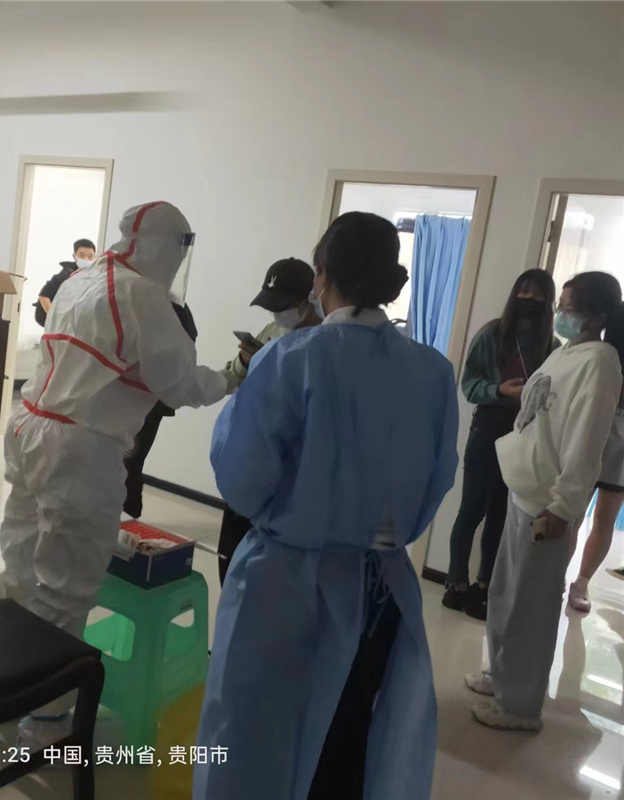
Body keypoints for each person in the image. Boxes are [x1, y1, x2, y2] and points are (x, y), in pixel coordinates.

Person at [194, 212, 459, 800]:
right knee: (348, 736)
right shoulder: (432, 372)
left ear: (321, 276)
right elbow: (436, 480)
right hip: (381, 587)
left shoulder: (292, 358)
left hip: (285, 584)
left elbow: (241, 478)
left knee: (256, 736)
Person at [0, 202, 232, 738]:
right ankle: (46, 719)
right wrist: (230, 376)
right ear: (169, 249)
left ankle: (5, 681)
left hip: (29, 426)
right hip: (78, 448)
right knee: (68, 584)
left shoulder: (81, 278)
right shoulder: (142, 294)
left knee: (21, 562)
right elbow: (180, 384)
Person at [466, 271, 624, 732]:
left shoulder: (600, 362)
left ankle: (520, 705)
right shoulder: (566, 351)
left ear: (596, 316)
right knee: (505, 593)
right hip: (524, 489)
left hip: (548, 503)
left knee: (531, 606)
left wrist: (563, 506)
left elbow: (586, 441)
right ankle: (500, 674)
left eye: (568, 308)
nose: (560, 315)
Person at [443, 270, 558, 620]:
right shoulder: (492, 334)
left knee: (501, 514)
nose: (530, 299)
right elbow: (469, 384)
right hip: (488, 426)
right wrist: (498, 391)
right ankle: (455, 584)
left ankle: (484, 586)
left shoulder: (552, 346)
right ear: (514, 294)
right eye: (524, 291)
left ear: (548, 301)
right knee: (471, 510)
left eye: (538, 295)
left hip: (524, 434)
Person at [217, 257, 320, 583]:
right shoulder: (274, 331)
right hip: (249, 453)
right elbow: (236, 376)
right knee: (230, 557)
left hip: (287, 470)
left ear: (307, 300)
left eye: (283, 306)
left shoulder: (324, 341)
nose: (276, 314)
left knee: (268, 573)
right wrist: (245, 360)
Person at [566, 308, 624, 612]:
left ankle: (582, 582)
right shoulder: (616, 315)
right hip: (597, 420)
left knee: (605, 517)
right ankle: (554, 576)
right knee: (572, 511)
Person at [123, 301, 198, 519]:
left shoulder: (172, 305)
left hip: (147, 399)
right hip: (129, 396)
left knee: (129, 463)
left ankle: (128, 522)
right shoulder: (134, 296)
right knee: (121, 463)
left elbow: (184, 348)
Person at [34, 238, 96, 327]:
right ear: (75, 256)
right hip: (53, 319)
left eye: (90, 256)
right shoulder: (67, 273)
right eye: (81, 255)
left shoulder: (94, 275)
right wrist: (53, 318)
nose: (86, 259)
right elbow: (43, 295)